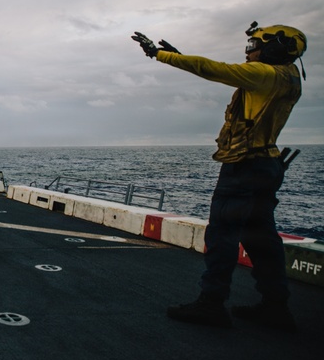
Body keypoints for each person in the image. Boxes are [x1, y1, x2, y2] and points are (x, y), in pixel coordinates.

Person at [131, 23, 307, 330]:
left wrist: (161, 56)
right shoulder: (290, 77)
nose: (250, 50)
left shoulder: (265, 75)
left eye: (256, 44)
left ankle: (211, 304)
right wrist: (178, 55)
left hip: (244, 166)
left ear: (276, 48)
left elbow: (212, 69)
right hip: (268, 165)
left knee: (222, 234)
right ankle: (276, 309)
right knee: (262, 238)